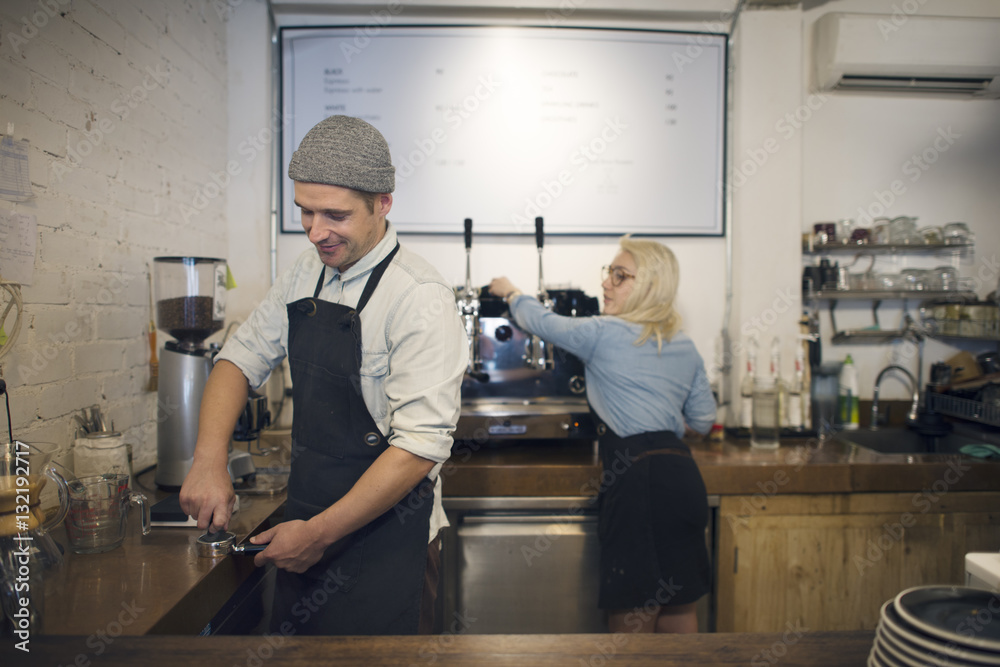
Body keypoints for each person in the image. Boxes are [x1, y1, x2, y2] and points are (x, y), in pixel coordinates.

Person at [179, 115, 468, 635]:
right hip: (305, 525)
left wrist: (320, 535)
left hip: (388, 542)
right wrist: (207, 460)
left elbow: (418, 448)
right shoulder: (305, 272)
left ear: (383, 204)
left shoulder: (419, 297)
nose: (315, 232)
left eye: (335, 215)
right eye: (305, 212)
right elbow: (237, 360)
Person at [488, 236, 715, 634]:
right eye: (609, 273)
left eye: (621, 275)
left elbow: (541, 322)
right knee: (680, 608)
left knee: (632, 611)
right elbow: (704, 418)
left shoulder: (603, 332)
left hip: (636, 476)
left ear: (649, 286)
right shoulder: (685, 345)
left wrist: (511, 292)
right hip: (683, 476)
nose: (607, 283)